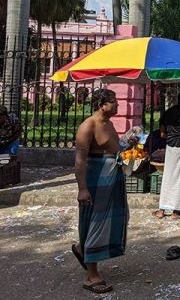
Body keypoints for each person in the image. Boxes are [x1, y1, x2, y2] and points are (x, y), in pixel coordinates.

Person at [71, 89, 136, 294]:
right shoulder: (87, 126)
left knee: (112, 220)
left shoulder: (108, 124)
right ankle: (91, 276)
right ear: (102, 105)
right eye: (114, 102)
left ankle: (83, 250)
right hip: (95, 181)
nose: (117, 105)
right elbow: (80, 161)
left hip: (112, 180)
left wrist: (127, 143)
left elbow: (113, 149)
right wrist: (82, 189)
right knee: (94, 223)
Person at [153, 90, 180, 219]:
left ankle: (162, 209)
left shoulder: (168, 113)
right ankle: (177, 211)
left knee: (169, 177)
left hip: (171, 148)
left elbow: (162, 134)